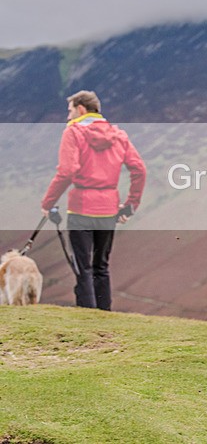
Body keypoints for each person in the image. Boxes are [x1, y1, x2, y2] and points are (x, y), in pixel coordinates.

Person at [41, 90, 146, 310]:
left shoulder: (73, 133)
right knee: (101, 267)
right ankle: (104, 316)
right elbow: (139, 170)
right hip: (108, 210)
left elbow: (67, 171)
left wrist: (48, 203)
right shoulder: (119, 135)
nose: (68, 117)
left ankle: (87, 319)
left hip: (81, 208)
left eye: (69, 111)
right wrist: (129, 206)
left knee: (83, 268)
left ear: (81, 109)